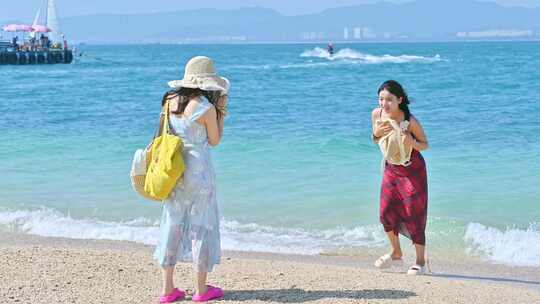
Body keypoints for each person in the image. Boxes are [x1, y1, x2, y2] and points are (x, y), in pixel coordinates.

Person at [153, 56, 229, 303]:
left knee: (173, 224)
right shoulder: (204, 107)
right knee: (200, 227)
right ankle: (201, 290)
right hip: (199, 170)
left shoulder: (169, 101)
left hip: (174, 167)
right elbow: (215, 141)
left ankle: (167, 289)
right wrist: (221, 113)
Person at [371, 80, 429, 275]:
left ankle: (420, 261)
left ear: (399, 100)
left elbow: (425, 145)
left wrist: (411, 141)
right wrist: (375, 133)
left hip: (412, 169)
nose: (384, 104)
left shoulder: (409, 120)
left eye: (389, 99)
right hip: (391, 168)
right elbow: (377, 139)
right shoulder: (377, 114)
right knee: (385, 212)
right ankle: (396, 253)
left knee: (414, 214)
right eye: (381, 99)